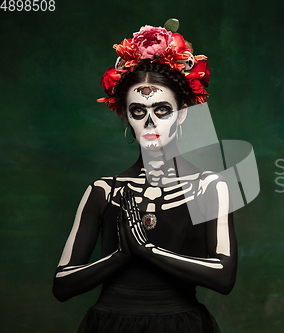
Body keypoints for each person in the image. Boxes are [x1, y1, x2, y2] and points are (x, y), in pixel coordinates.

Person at [52, 22, 237, 333]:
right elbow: (62, 284)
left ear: (183, 114)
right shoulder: (103, 190)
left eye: (162, 109)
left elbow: (224, 276)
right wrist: (120, 256)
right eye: (138, 111)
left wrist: (149, 251)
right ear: (126, 117)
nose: (150, 121)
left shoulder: (208, 186)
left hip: (181, 325)